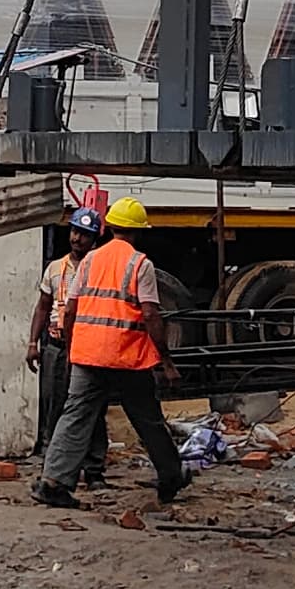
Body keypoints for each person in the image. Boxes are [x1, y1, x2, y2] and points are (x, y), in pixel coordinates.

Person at [33, 195, 189, 508]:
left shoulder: (89, 261)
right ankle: (171, 476)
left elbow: (70, 309)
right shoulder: (140, 264)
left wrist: (72, 347)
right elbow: (150, 315)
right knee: (147, 419)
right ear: (138, 231)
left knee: (74, 415)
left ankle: (53, 482)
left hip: (88, 356)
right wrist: (166, 362)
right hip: (126, 358)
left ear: (111, 227)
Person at [26, 200, 110, 490]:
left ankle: (94, 470)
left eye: (84, 234)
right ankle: (53, 469)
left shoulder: (99, 268)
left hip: (88, 349)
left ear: (94, 238)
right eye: (74, 232)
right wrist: (33, 343)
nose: (77, 238)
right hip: (58, 347)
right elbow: (42, 306)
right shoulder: (55, 269)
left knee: (92, 409)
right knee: (55, 407)